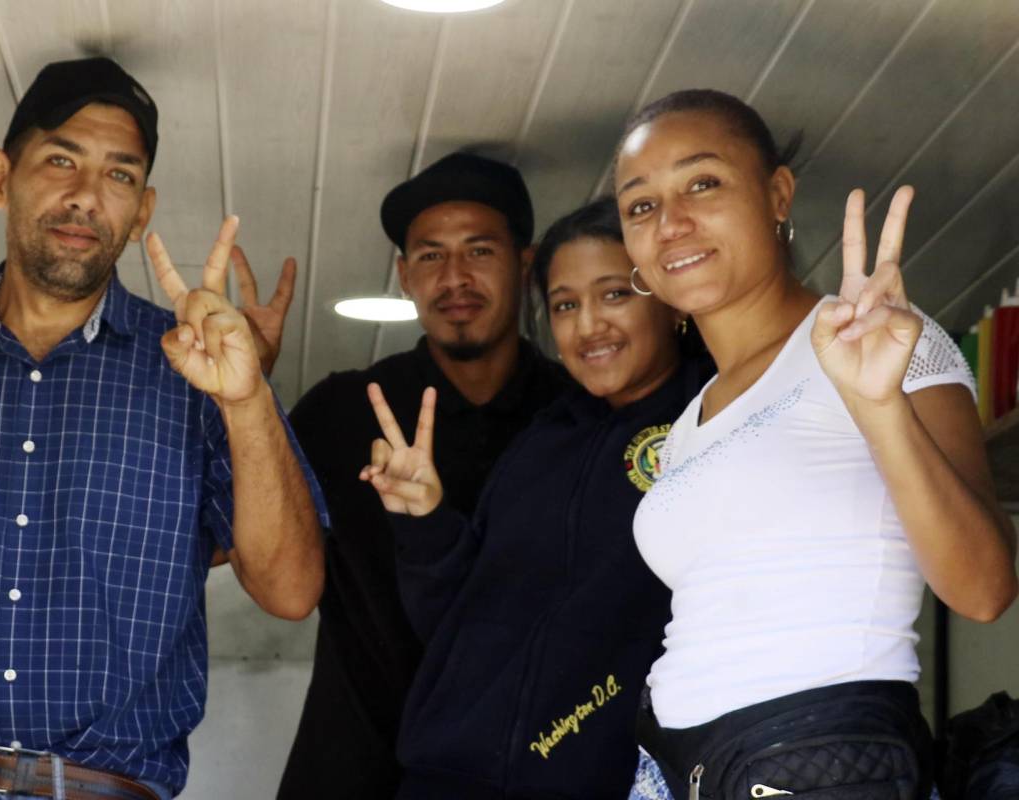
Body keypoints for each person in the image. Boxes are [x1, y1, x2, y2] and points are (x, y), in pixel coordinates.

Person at [0, 57, 326, 800]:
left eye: (120, 176)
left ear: (142, 209)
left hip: (97, 787)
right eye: (61, 160)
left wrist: (247, 399)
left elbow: (290, 592)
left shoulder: (203, 373)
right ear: (0, 178)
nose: (87, 196)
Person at [609, 89, 1017, 799]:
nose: (671, 223)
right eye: (641, 205)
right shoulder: (688, 423)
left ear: (777, 194)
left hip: (819, 762)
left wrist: (878, 402)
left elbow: (984, 590)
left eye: (703, 183)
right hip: (682, 767)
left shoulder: (879, 343)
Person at [360, 198, 710, 798]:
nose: (589, 325)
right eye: (565, 305)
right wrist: (425, 521)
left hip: (600, 781)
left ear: (668, 299)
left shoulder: (715, 421)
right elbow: (455, 623)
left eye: (614, 294)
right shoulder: (539, 443)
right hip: (445, 779)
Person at [277, 153, 571, 799]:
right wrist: (242, 397)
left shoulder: (579, 415)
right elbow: (245, 547)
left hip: (530, 771)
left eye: (479, 250)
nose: (455, 277)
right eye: (431, 256)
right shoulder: (342, 411)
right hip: (350, 771)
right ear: (406, 276)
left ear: (526, 264)